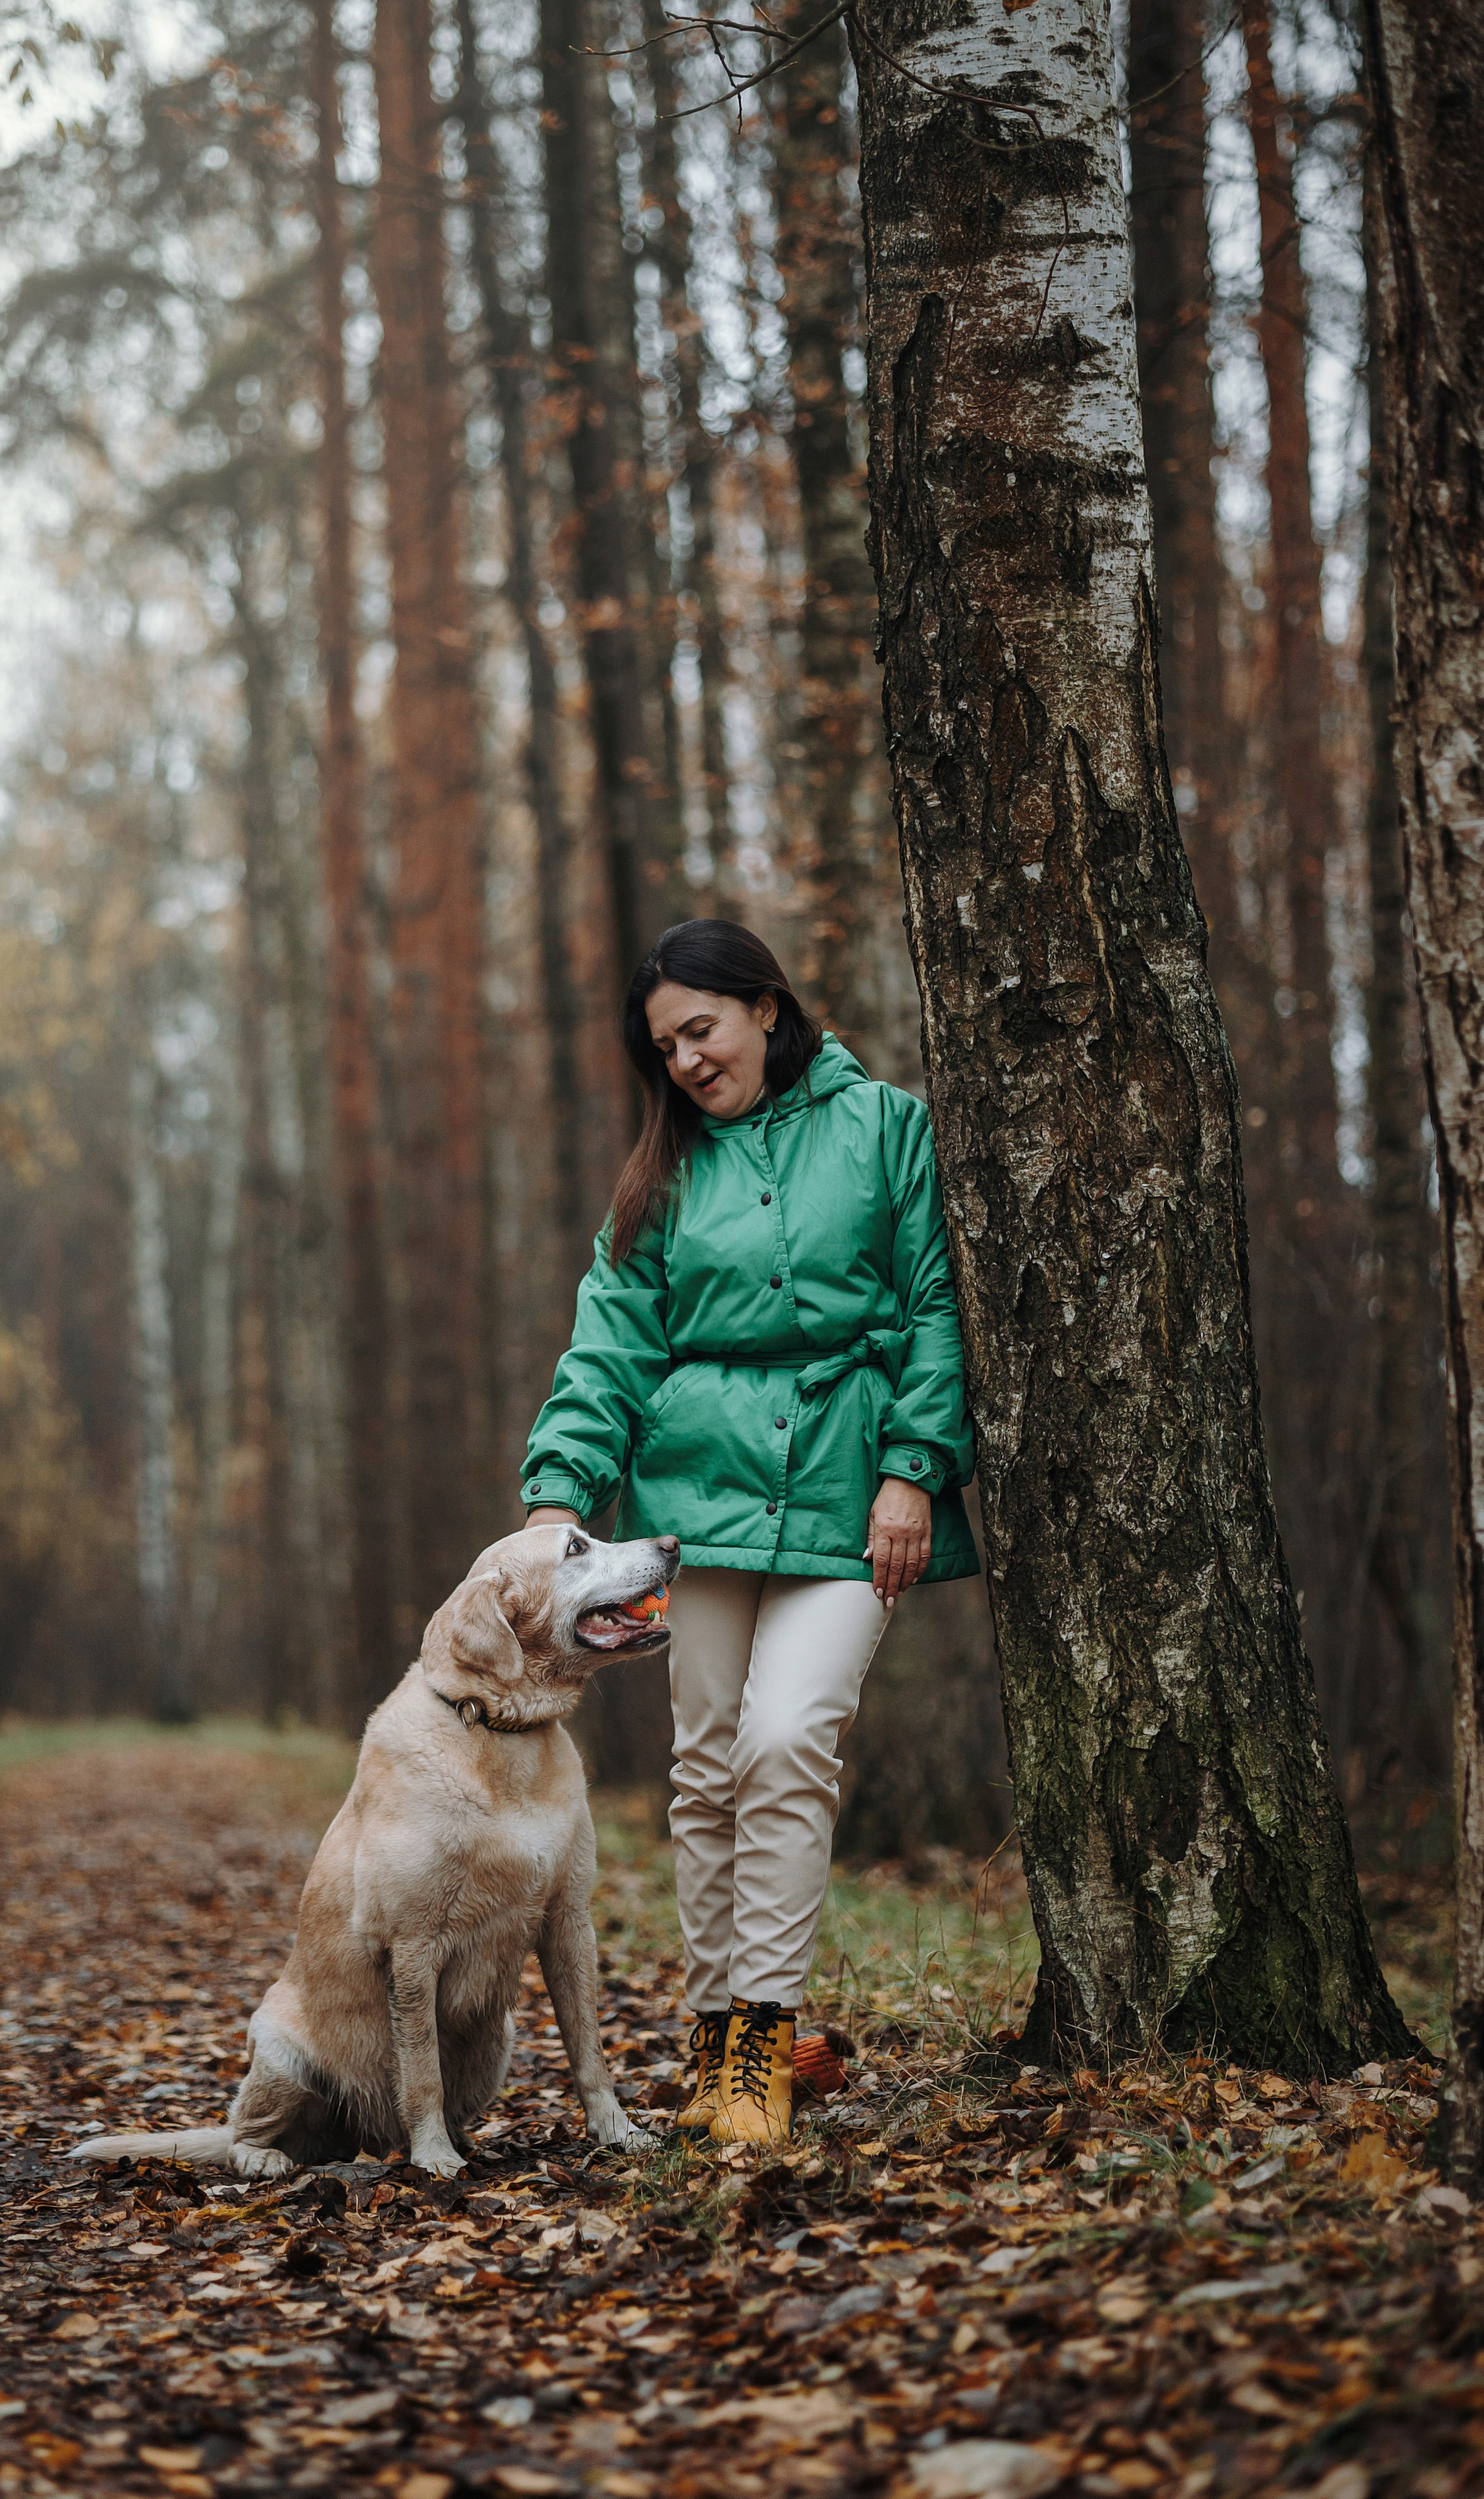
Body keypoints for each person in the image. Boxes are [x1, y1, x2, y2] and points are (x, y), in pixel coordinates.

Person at [522, 919, 979, 2146]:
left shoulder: (887, 1126)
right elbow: (609, 1340)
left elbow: (936, 1300)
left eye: (701, 1029)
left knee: (787, 1742)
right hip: (696, 1504)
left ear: (767, 1008)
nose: (683, 1061)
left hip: (853, 1500)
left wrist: (916, 1469)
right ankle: (724, 2056)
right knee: (708, 1772)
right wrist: (561, 1490)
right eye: (663, 1045)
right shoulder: (661, 1176)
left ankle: (757, 2050)